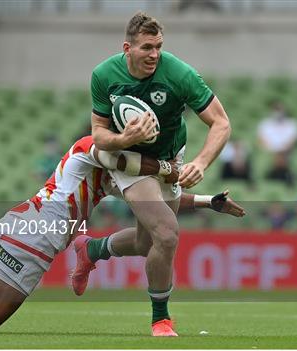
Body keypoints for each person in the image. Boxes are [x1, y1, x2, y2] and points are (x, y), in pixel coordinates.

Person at [0, 136, 245, 334]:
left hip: (18, 220)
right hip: (42, 231)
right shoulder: (96, 148)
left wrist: (207, 201)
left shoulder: (114, 169)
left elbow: (157, 201)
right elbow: (120, 158)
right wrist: (170, 166)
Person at [82, 11, 231, 336]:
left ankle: (92, 249)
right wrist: (125, 139)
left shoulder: (179, 74)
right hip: (130, 160)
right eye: (147, 47)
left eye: (158, 47)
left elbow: (221, 122)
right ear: (127, 48)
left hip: (170, 159)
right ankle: (160, 319)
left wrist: (201, 163)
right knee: (167, 234)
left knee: (146, 242)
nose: (154, 55)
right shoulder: (104, 75)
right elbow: (99, 135)